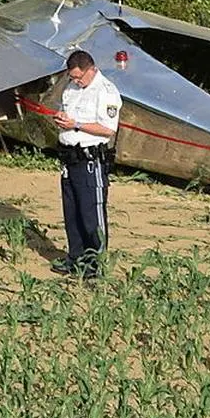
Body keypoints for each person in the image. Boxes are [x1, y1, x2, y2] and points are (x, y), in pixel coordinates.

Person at [52, 50, 122, 279]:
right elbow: (69, 116)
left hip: (90, 159)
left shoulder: (106, 91)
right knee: (71, 213)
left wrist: (77, 124)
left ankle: (97, 263)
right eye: (72, 77)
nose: (76, 81)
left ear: (91, 69)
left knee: (91, 214)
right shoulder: (71, 88)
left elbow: (108, 129)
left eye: (79, 77)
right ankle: (76, 258)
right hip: (69, 158)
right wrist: (62, 120)